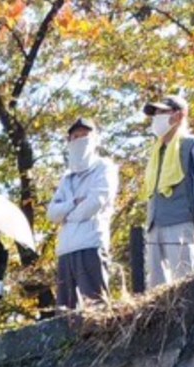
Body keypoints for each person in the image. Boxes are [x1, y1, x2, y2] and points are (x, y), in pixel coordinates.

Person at [45, 117, 118, 310]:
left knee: (96, 306)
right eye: (75, 136)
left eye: (85, 135)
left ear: (95, 139)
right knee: (65, 311)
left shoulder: (104, 167)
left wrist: (67, 216)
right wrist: (73, 203)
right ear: (68, 142)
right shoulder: (66, 178)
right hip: (65, 249)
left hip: (91, 243)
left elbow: (95, 203)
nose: (80, 140)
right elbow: (52, 213)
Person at [141, 94, 194, 288]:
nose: (157, 117)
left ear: (179, 115)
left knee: (183, 285)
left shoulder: (192, 144)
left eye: (162, 112)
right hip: (154, 224)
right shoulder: (156, 151)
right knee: (155, 288)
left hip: (181, 222)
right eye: (154, 113)